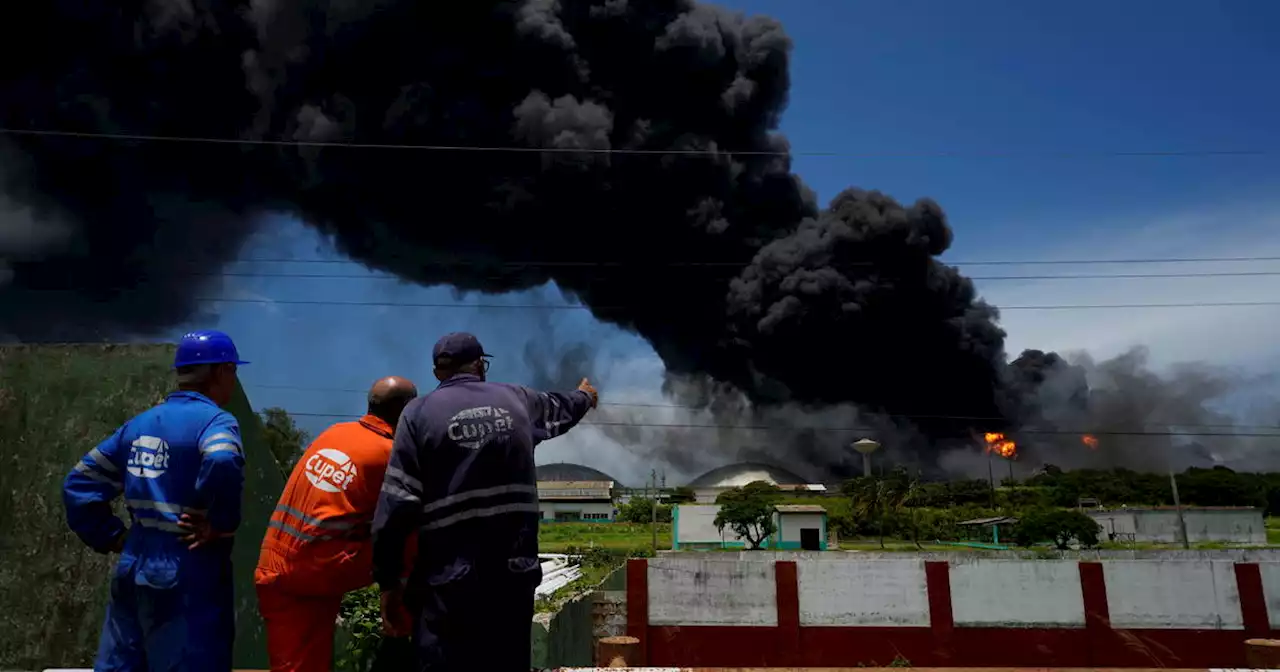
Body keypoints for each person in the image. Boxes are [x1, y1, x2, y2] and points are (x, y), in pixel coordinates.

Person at [370, 332, 599, 672]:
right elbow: (562, 408)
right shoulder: (518, 399)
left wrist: (388, 584)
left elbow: (396, 508)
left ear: (437, 373)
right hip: (511, 578)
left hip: (447, 584)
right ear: (480, 365)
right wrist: (585, 395)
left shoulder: (417, 415)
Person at [62, 329, 249, 672]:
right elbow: (222, 459)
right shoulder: (215, 421)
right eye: (233, 371)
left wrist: (111, 535)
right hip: (188, 563)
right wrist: (219, 523)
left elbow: (79, 482)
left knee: (122, 664)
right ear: (222, 372)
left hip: (134, 560)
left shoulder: (139, 424)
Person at [254, 376, 420, 672]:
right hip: (318, 568)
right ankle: (400, 630)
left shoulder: (335, 433)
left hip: (274, 562)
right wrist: (392, 591)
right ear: (407, 412)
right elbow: (401, 531)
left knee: (294, 664)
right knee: (413, 533)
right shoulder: (389, 454)